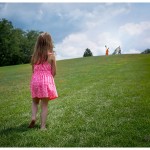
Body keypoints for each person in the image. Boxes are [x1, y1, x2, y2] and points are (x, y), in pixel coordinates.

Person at [28, 32, 58, 130]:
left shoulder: (34, 57)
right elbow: (54, 72)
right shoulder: (51, 56)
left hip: (35, 81)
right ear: (49, 43)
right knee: (44, 105)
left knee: (34, 102)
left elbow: (33, 71)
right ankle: (43, 126)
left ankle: (33, 117)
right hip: (46, 82)